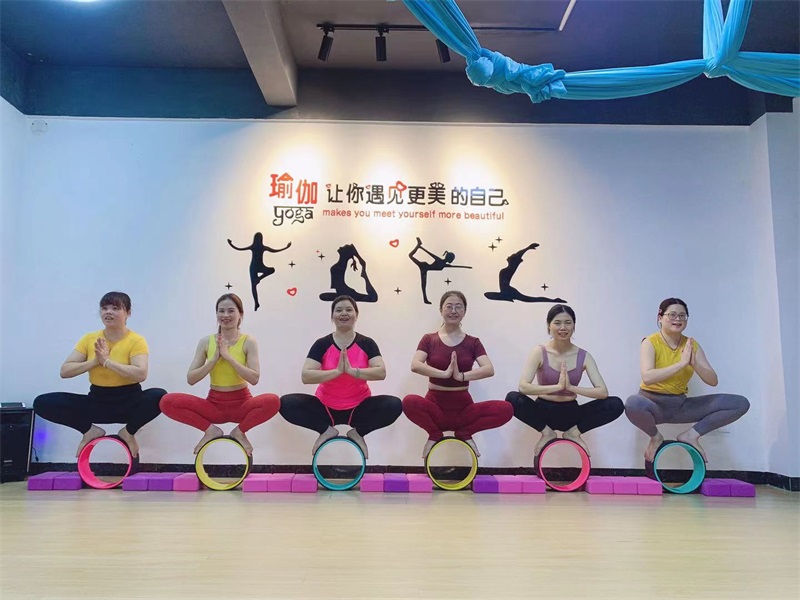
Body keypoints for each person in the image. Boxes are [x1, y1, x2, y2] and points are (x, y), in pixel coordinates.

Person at [33, 292, 165, 458]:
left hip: (129, 402)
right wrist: (95, 361)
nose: (108, 312)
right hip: (97, 402)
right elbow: (65, 371)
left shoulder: (136, 340)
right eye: (104, 308)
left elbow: (140, 374)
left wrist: (107, 362)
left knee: (160, 396)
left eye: (115, 308)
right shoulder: (90, 339)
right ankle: (89, 431)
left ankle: (128, 432)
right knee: (42, 402)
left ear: (128, 313)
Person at [625, 298, 750, 462]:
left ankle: (691, 436)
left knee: (739, 403)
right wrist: (681, 364)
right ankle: (655, 437)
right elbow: (647, 377)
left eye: (682, 316)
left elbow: (713, 380)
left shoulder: (691, 345)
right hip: (652, 404)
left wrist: (694, 364)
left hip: (679, 406)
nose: (678, 319)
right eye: (672, 315)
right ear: (660, 317)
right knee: (632, 403)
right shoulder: (650, 342)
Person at [279, 295, 401, 458]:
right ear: (332, 316)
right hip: (325, 407)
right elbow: (306, 376)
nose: (344, 313)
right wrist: (337, 372)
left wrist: (352, 371)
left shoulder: (367, 343)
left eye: (349, 310)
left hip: (358, 407)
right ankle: (326, 430)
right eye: (338, 310)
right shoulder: (322, 344)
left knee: (394, 405)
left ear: (356, 315)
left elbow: (381, 372)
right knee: (285, 403)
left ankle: (358, 433)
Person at [159, 293, 280, 456]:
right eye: (221, 311)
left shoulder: (248, 341)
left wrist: (229, 358)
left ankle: (239, 432)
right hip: (214, 406)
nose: (225, 315)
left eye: (231, 311)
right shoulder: (206, 342)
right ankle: (211, 431)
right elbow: (191, 379)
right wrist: (213, 360)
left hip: (242, 404)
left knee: (273, 401)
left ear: (240, 314)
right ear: (216, 314)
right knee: (167, 402)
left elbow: (254, 378)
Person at [402, 291, 513, 458]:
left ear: (464, 311)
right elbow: (415, 365)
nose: (453, 311)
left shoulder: (473, 342)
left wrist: (461, 376)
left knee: (506, 409)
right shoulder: (429, 339)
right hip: (435, 405)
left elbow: (489, 369)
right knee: (408, 401)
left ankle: (465, 432)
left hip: (463, 409)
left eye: (458, 307)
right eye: (449, 306)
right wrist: (444, 374)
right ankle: (434, 434)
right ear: (441, 310)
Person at [505, 304, 623, 456]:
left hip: (571, 413)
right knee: (512, 398)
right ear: (549, 325)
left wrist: (571, 388)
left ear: (574, 326)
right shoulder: (539, 352)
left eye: (568, 323)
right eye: (557, 323)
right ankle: (547, 433)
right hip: (542, 411)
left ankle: (573, 433)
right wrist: (557, 387)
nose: (563, 327)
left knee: (615, 404)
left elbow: (603, 392)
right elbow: (523, 387)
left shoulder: (584, 356)